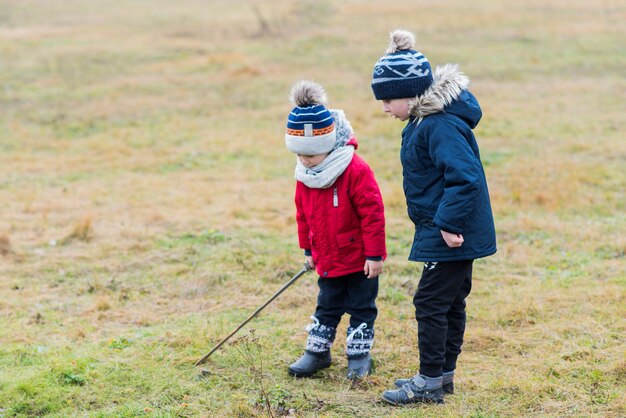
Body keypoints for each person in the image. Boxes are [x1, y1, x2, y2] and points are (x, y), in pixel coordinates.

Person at [370, 29, 497, 404]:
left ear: (412, 94)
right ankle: (442, 377)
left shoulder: (437, 125)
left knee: (429, 303)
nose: (384, 108)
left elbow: (465, 177)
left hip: (450, 233)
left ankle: (428, 383)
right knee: (449, 303)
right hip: (445, 229)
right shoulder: (423, 121)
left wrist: (448, 224)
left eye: (389, 100)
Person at [284, 80, 386, 380]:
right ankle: (317, 353)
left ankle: (359, 355)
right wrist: (308, 250)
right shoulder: (305, 175)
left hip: (359, 260)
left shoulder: (354, 170)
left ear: (328, 146)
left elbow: (373, 214)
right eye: (300, 155)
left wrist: (375, 255)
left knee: (361, 307)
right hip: (327, 258)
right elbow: (303, 215)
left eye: (311, 155)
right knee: (326, 305)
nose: (304, 161)